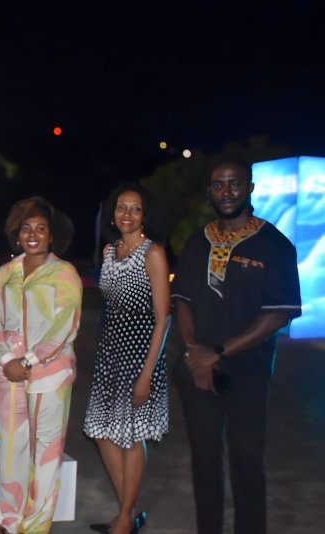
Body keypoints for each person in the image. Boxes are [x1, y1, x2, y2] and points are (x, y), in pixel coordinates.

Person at [172, 159, 301, 534]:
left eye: (234, 184)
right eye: (218, 185)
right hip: (199, 371)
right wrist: (197, 353)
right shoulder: (198, 243)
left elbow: (277, 315)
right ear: (210, 191)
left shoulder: (275, 245)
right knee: (205, 460)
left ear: (250, 188)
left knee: (247, 461)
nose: (226, 192)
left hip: (248, 372)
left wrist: (220, 352)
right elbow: (183, 300)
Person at [0, 197, 81, 534]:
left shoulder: (64, 272)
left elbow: (65, 325)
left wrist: (29, 360)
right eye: (26, 228)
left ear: (52, 236)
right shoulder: (6, 272)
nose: (33, 234)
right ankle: (10, 523)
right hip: (10, 375)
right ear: (18, 234)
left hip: (50, 376)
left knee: (46, 455)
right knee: (12, 452)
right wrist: (8, 360)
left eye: (40, 228)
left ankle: (35, 527)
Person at [84, 182, 171, 534]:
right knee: (101, 431)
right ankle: (130, 511)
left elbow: (164, 317)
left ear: (144, 215)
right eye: (121, 207)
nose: (127, 214)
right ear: (112, 212)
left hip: (140, 357)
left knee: (132, 437)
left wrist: (147, 374)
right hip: (111, 355)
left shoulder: (153, 253)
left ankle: (124, 521)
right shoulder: (109, 250)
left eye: (135, 208)